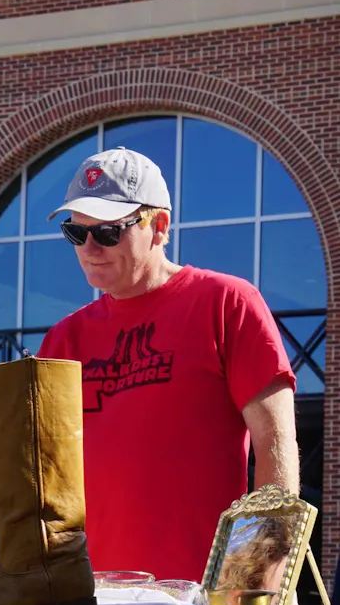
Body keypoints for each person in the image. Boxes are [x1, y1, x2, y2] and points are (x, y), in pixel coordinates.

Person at [39, 147, 298, 582]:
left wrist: (266, 572)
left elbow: (275, 441)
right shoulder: (63, 338)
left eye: (106, 233)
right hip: (90, 602)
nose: (88, 248)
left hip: (202, 599)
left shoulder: (226, 302)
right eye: (75, 232)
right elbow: (44, 479)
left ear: (158, 227)